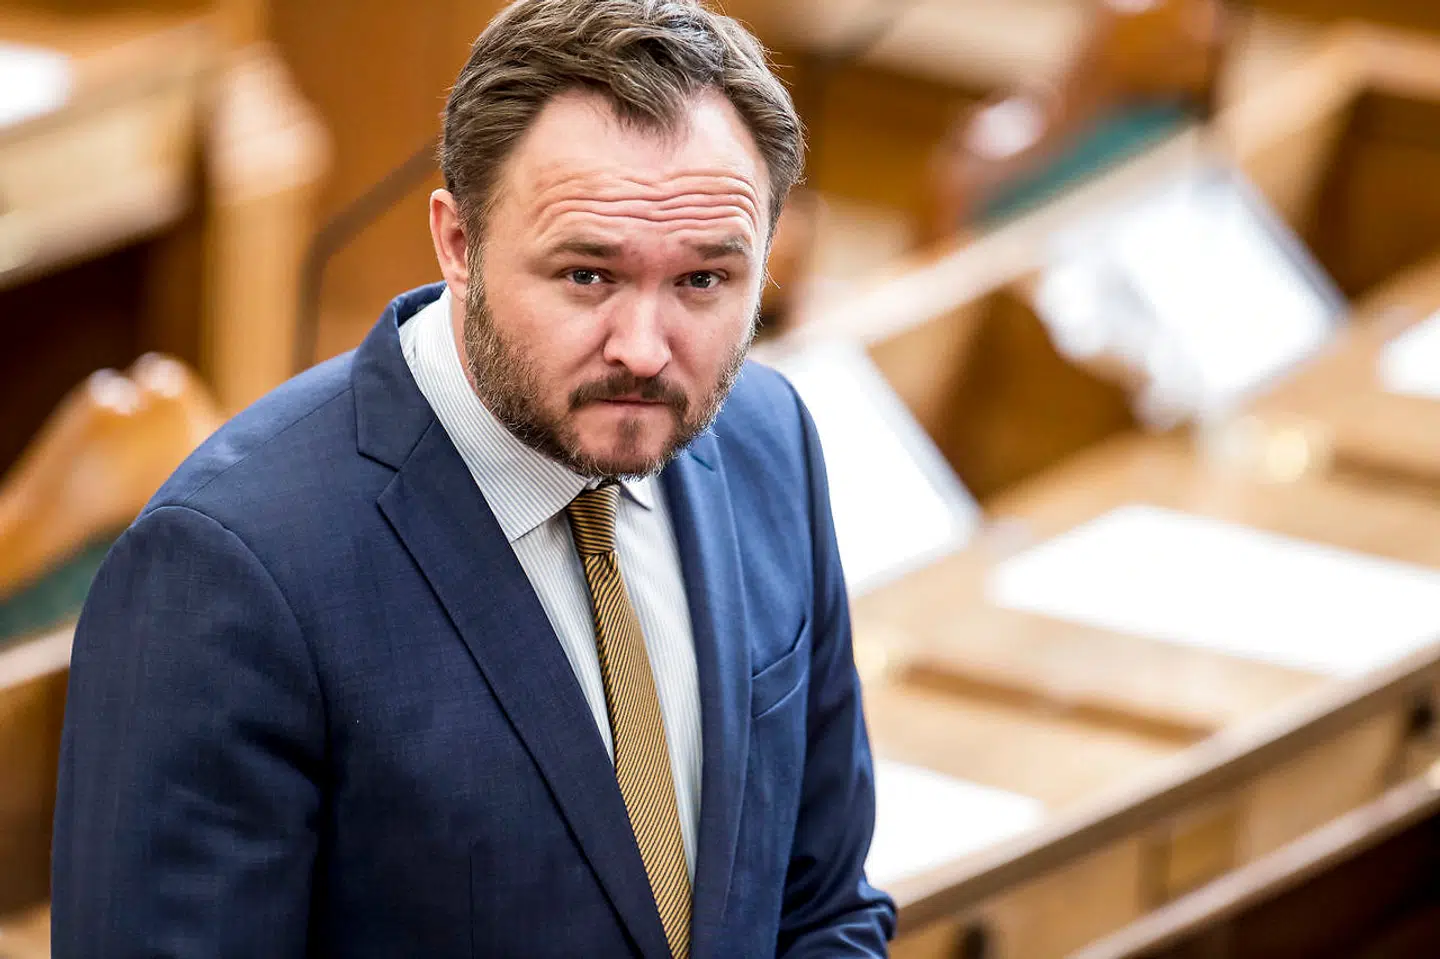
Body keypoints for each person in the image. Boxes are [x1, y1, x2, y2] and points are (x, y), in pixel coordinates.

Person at [51, 1, 896, 956]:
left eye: (704, 280)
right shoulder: (233, 568)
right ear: (458, 243)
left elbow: (823, 907)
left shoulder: (766, 442)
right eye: (587, 274)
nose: (646, 348)